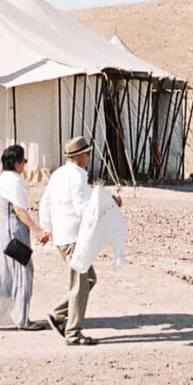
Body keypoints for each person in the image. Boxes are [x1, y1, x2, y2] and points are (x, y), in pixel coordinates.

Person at [39, 135, 117, 346]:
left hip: (63, 236)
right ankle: (73, 332)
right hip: (74, 237)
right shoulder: (77, 177)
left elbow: (45, 202)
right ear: (81, 155)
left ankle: (57, 315)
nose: (89, 157)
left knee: (88, 280)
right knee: (80, 285)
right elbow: (83, 208)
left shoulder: (59, 174)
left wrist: (46, 228)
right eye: (88, 154)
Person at [0, 145, 42, 329]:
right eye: (24, 161)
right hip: (13, 231)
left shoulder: (1, 179)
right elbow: (19, 210)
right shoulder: (15, 182)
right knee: (22, 271)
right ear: (17, 163)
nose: (25, 165)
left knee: (5, 269)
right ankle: (21, 319)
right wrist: (37, 230)